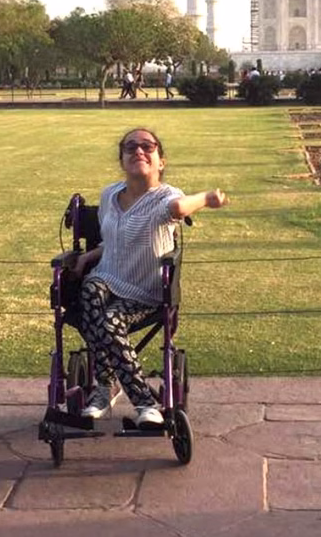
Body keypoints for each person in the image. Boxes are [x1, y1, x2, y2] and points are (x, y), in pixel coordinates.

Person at [72, 128, 228, 427]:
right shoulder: (109, 195)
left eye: (147, 146)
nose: (139, 151)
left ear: (161, 161)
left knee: (108, 322)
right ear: (122, 159)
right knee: (90, 288)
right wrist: (87, 257)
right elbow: (114, 242)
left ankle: (137, 400)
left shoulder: (166, 196)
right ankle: (107, 388)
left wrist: (208, 198)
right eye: (130, 147)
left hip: (145, 291)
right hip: (108, 279)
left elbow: (179, 208)